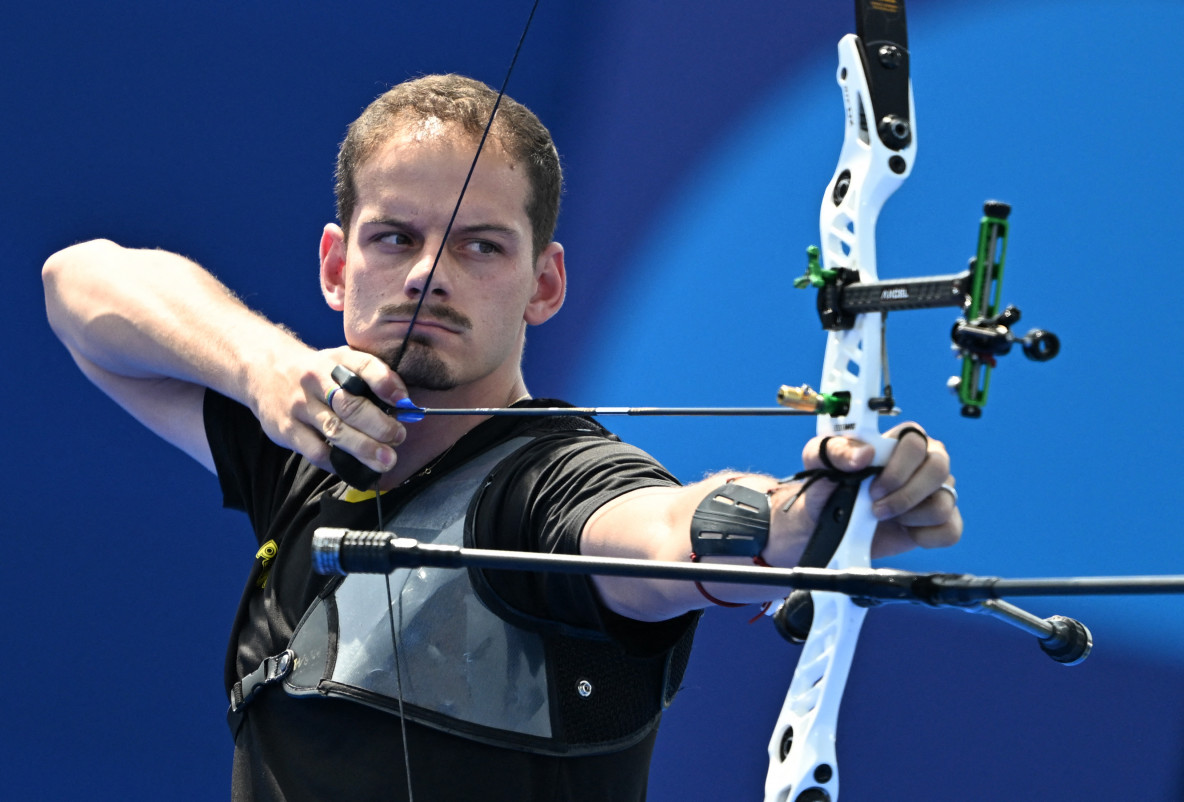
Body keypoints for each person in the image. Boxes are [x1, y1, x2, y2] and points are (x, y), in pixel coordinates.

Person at [42, 74, 960, 801]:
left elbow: (664, 533)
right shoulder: (309, 440)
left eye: (481, 246)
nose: (427, 275)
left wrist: (806, 520)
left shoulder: (555, 485)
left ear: (544, 285)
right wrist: (263, 369)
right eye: (394, 238)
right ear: (336, 265)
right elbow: (80, 284)